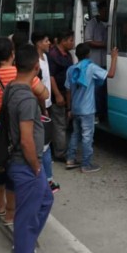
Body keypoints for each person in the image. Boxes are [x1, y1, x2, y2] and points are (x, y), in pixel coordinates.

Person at [0, 38, 48, 225]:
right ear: (12, 54)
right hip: (16, 127)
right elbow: (44, 94)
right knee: (12, 171)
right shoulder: (19, 74)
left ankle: (0, 205)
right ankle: (10, 213)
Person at [7, 44, 53, 253]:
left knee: (46, 199)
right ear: (36, 67)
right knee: (26, 217)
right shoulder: (25, 97)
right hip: (26, 163)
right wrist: (35, 166)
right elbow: (26, 140)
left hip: (22, 162)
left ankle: (26, 243)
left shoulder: (13, 87)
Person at [65, 43, 118, 173]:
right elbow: (110, 75)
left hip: (75, 108)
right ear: (89, 54)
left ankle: (70, 159)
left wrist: (69, 108)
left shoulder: (71, 69)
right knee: (88, 136)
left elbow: (67, 90)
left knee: (75, 134)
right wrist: (114, 58)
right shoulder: (91, 68)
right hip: (87, 110)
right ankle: (86, 164)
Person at [31, 31, 60, 193]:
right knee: (43, 145)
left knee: (45, 142)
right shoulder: (35, 61)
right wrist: (43, 109)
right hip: (41, 104)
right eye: (46, 40)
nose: (49, 43)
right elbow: (37, 86)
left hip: (47, 102)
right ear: (38, 43)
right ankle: (45, 179)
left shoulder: (45, 57)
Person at [47, 30, 75, 161]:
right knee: (60, 125)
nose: (73, 43)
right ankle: (60, 153)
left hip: (66, 94)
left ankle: (56, 148)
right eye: (70, 40)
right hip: (57, 95)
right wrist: (57, 94)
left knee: (60, 123)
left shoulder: (67, 55)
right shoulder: (53, 55)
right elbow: (51, 76)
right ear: (63, 41)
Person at [84, 1, 110, 120]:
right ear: (100, 11)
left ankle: (103, 112)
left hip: (104, 62)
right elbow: (88, 41)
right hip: (95, 63)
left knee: (104, 91)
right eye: (105, 11)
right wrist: (104, 45)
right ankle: (96, 114)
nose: (106, 14)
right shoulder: (92, 24)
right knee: (97, 91)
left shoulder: (105, 24)